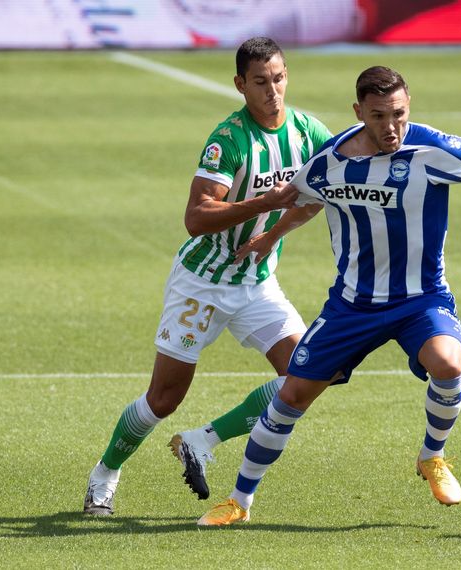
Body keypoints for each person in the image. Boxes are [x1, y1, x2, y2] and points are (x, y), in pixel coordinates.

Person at [197, 65, 461, 526]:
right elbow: (306, 204)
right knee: (292, 396)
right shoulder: (329, 159)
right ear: (359, 112)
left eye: (398, 114)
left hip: (421, 299)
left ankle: (431, 456)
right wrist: (268, 237)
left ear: (408, 107)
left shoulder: (433, 149)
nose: (391, 126)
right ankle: (240, 501)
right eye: (379, 116)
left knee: (449, 363)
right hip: (352, 304)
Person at [83, 37, 332, 516]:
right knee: (164, 398)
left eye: (278, 78)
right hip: (202, 282)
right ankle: (104, 475)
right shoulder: (230, 139)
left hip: (257, 282)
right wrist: (264, 203)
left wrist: (273, 233)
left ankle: (203, 440)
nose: (272, 91)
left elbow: (331, 184)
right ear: (240, 84)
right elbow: (197, 217)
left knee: (311, 373)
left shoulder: (308, 132)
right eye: (260, 82)